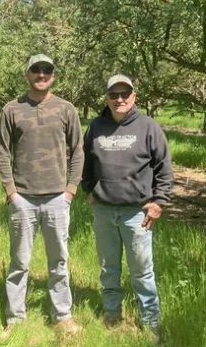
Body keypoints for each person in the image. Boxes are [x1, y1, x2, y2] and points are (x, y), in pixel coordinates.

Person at [0, 54, 84, 337]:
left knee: (58, 262)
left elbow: (78, 151)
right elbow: (1, 152)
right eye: (36, 70)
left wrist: (71, 190)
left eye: (47, 70)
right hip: (24, 199)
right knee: (19, 262)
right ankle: (15, 318)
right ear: (27, 75)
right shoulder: (11, 109)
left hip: (58, 198)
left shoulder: (66, 109)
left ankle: (63, 316)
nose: (41, 74)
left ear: (54, 76)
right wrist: (11, 192)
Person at [81, 74, 173, 344]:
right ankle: (112, 313)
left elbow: (163, 168)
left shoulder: (148, 127)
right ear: (106, 98)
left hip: (137, 213)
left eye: (125, 94)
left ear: (134, 96)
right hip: (104, 211)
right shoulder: (95, 127)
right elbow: (85, 161)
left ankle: (150, 322)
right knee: (109, 267)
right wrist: (89, 189)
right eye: (113, 94)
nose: (119, 99)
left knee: (142, 271)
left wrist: (159, 202)